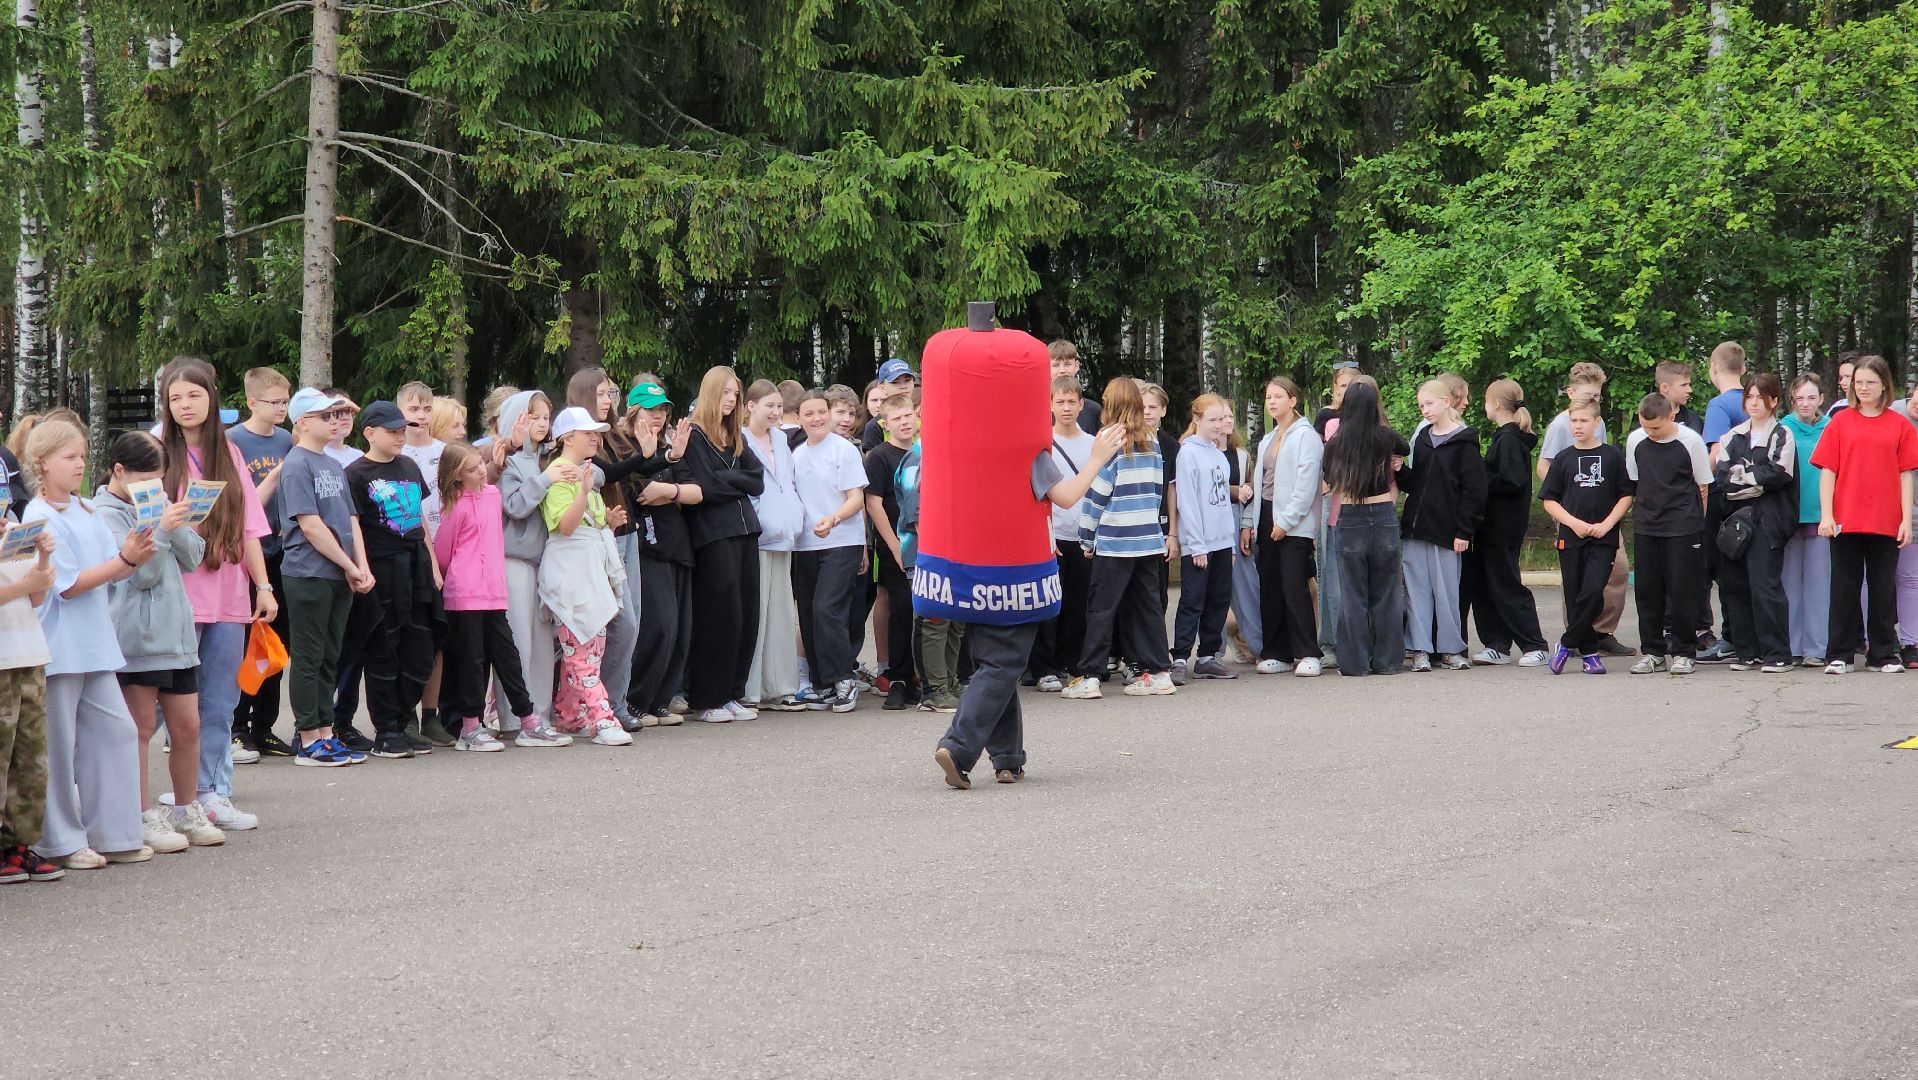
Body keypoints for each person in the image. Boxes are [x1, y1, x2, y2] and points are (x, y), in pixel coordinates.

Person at [19, 415, 156, 868]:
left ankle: (114, 832)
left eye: (82, 455)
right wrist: (125, 561)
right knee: (57, 747)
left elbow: (112, 572)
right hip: (60, 645)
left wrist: (132, 556)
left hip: (96, 641)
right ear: (42, 462)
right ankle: (59, 840)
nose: (80, 464)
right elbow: (69, 586)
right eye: (69, 457)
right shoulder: (38, 515)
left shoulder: (86, 509)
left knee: (116, 733)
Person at [156, 357, 274, 831]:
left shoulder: (230, 452)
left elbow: (249, 527)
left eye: (194, 395)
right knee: (165, 706)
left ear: (212, 398)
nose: (185, 405)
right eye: (175, 397)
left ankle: (210, 793)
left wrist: (263, 586)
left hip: (228, 596)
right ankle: (165, 794)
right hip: (177, 595)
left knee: (220, 703)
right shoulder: (157, 451)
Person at [95, 433, 221, 851]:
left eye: (159, 480)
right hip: (136, 638)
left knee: (188, 726)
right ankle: (140, 814)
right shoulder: (105, 514)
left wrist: (175, 520)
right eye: (145, 479)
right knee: (141, 728)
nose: (153, 488)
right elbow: (140, 575)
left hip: (177, 636)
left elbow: (194, 558)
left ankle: (187, 808)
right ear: (119, 471)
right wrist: (162, 529)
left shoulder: (158, 503)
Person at [1063, 378, 1177, 699]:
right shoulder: (1152, 440)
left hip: (1115, 541)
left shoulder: (1108, 439)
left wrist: (1086, 538)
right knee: (1149, 608)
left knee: (1101, 609)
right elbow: (1156, 490)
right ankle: (1159, 672)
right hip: (1147, 538)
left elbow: (1098, 493)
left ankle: (1090, 675)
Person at [278, 388, 372, 766]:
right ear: (302, 423)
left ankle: (326, 733)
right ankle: (307, 737)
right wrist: (350, 566)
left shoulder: (332, 464)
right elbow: (311, 525)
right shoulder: (296, 464)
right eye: (324, 416)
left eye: (335, 416)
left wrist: (361, 566)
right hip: (308, 574)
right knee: (309, 657)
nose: (334, 421)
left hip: (338, 575)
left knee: (330, 656)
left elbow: (351, 520)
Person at [346, 401, 445, 758]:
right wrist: (361, 568)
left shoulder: (408, 466)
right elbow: (353, 526)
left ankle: (404, 719)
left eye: (403, 430)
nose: (400, 437)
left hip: (415, 565)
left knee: (421, 647)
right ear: (370, 433)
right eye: (392, 431)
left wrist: (433, 566)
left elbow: (419, 519)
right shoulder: (356, 474)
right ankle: (387, 729)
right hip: (382, 568)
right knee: (384, 650)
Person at [1812, 355, 1918, 673]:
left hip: (1886, 519)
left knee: (1883, 587)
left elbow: (1906, 474)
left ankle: (1883, 654)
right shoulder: (1840, 422)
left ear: (1884, 384)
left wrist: (1906, 519)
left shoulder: (1899, 424)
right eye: (1858, 382)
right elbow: (1828, 471)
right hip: (1846, 518)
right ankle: (1839, 654)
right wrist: (1826, 515)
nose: (1863, 388)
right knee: (1844, 587)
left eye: (1871, 382)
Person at [435, 442, 540, 752]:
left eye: (480, 464)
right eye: (472, 469)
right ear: (457, 476)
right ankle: (469, 728)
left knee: (508, 657)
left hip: (494, 592)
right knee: (472, 660)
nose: (481, 471)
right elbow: (443, 553)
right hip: (465, 593)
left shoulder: (493, 495)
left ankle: (529, 722)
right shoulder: (454, 505)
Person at [535, 406, 631, 744]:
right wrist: (582, 492)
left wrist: (608, 522)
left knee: (590, 645)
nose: (595, 438)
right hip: (572, 575)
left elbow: (589, 524)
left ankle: (570, 713)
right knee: (582, 647)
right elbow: (565, 526)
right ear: (567, 438)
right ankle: (602, 718)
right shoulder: (562, 476)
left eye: (596, 432)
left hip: (587, 574)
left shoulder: (582, 474)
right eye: (587, 432)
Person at [680, 366, 767, 724]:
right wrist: (734, 482)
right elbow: (705, 487)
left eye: (736, 393)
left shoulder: (735, 437)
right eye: (726, 392)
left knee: (746, 613)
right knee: (720, 614)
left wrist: (727, 478)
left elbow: (757, 481)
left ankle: (732, 691)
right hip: (713, 534)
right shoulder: (694, 435)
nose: (732, 399)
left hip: (745, 531)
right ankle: (708, 696)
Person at [567, 368, 648, 732]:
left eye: (611, 393)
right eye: (601, 394)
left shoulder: (612, 433)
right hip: (600, 539)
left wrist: (666, 457)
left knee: (631, 623)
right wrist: (645, 455)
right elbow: (606, 474)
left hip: (624, 532)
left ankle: (616, 702)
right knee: (618, 624)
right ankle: (602, 705)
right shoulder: (577, 442)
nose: (608, 400)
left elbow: (633, 472)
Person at [1536, 363, 1633, 657]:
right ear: (1571, 393)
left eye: (1598, 396)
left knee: (1617, 569)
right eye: (1588, 394)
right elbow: (1545, 466)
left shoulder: (1597, 423)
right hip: (1571, 513)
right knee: (1576, 578)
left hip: (1602, 515)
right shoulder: (1561, 425)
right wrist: (1568, 505)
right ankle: (1578, 634)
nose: (1594, 400)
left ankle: (1600, 631)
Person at [493, 390, 573, 746]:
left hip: (545, 560)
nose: (542, 423)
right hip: (514, 560)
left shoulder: (549, 457)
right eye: (533, 417)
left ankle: (539, 715)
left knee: (542, 642)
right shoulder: (506, 461)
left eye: (545, 417)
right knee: (518, 641)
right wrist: (546, 479)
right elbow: (513, 506)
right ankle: (515, 718)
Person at [227, 367, 294, 757]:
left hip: (282, 550)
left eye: (285, 401)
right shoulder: (234, 441)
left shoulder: (286, 439)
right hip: (251, 553)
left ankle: (265, 726)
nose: (281, 408)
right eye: (274, 402)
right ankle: (237, 725)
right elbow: (241, 503)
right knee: (246, 643)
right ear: (252, 402)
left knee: (277, 643)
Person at [1321, 379, 1409, 676]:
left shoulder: (1336, 442)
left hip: (1349, 516)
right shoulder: (1384, 436)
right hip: (1382, 513)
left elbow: (1328, 478)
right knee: (1386, 592)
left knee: (1352, 594)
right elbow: (1405, 447)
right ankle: (1387, 661)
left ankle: (1354, 663)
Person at [1398, 379, 1486, 671]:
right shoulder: (1423, 439)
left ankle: (1451, 649)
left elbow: (1474, 490)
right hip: (1416, 528)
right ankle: (1420, 649)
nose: (1425, 410)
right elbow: (1417, 484)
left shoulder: (1465, 441)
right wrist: (1400, 471)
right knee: (1416, 593)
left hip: (1447, 531)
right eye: (1421, 405)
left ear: (1447, 402)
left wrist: (1464, 530)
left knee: (1447, 593)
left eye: (1429, 403)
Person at [791, 390, 869, 712]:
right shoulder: (796, 455)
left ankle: (843, 679)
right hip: (806, 544)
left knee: (827, 608)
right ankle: (823, 682)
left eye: (821, 412)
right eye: (809, 413)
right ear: (799, 418)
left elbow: (857, 499)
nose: (817, 418)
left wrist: (834, 519)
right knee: (809, 613)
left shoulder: (843, 450)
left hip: (842, 540)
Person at [623, 379, 696, 728]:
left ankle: (660, 699)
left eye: (663, 409)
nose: (659, 415)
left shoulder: (671, 446)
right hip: (646, 545)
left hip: (676, 542)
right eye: (651, 409)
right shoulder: (625, 446)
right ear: (633, 411)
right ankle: (637, 699)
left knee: (680, 628)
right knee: (659, 624)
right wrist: (672, 488)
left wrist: (670, 490)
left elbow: (697, 490)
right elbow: (640, 489)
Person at [1625, 393, 1713, 675]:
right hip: (1647, 525)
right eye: (1645, 426)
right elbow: (1636, 480)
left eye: (1656, 427)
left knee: (1682, 589)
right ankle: (1652, 651)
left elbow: (1703, 485)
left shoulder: (1691, 441)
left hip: (1684, 525)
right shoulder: (1635, 440)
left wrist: (1695, 524)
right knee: (1647, 590)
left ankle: (1684, 651)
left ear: (1671, 417)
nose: (1650, 432)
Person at [1714, 373, 1796, 672]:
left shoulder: (1782, 434)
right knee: (1736, 585)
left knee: (1765, 586)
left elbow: (1778, 474)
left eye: (1760, 397)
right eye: (1749, 397)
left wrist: (1746, 476)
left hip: (1768, 520)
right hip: (1735, 520)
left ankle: (1777, 654)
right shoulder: (1732, 436)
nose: (1753, 403)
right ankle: (1746, 652)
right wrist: (1753, 479)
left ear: (1773, 400)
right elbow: (1724, 478)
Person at [1243, 376, 1323, 677]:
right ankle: (1278, 652)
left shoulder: (1306, 436)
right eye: (1268, 397)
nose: (1272, 402)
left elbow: (1306, 484)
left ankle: (1308, 652)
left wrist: (1286, 522)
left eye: (1278, 396)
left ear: (1293, 400)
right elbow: (1259, 483)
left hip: (1294, 523)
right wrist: (1251, 522)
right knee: (1271, 587)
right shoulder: (1268, 438)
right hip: (1266, 516)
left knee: (1294, 586)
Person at [1464, 380, 1548, 667]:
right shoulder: (1505, 437)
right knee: (1485, 585)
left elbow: (1512, 480)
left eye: (1486, 401)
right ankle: (1497, 644)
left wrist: (1480, 475)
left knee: (1505, 584)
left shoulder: (1510, 439)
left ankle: (1534, 644)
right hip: (1491, 526)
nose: (1484, 406)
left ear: (1497, 404)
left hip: (1503, 526)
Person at [0, 509, 58, 882]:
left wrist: (43, 557)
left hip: (28, 652)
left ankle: (19, 843)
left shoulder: (12, 532)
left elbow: (35, 597)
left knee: (31, 758)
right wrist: (25, 585)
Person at [1027, 376, 1096, 691]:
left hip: (1083, 537)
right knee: (1048, 604)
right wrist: (1046, 534)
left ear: (1081, 405)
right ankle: (1043, 667)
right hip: (1052, 536)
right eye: (1060, 402)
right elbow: (1037, 494)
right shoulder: (1043, 444)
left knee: (1078, 604)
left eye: (1072, 402)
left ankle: (1072, 662)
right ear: (1050, 405)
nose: (1066, 408)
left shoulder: (1093, 444)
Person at [741, 379, 806, 712]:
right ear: (751, 406)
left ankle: (780, 686)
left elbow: (788, 482)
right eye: (769, 406)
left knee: (780, 612)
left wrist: (795, 515)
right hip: (757, 536)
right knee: (758, 612)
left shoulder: (780, 439)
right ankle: (749, 689)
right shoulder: (740, 439)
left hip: (784, 534)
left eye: (779, 406)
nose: (776, 412)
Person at [1170, 394, 1239, 683]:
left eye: (1222, 419)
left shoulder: (1218, 454)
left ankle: (1208, 655)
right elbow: (1187, 501)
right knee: (1192, 600)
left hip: (1222, 540)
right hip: (1199, 543)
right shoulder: (1188, 452)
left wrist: (1230, 544)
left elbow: (1223, 505)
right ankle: (1180, 657)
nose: (1219, 425)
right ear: (1197, 420)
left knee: (1219, 598)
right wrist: (1196, 545)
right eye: (1212, 420)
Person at [865, 393, 922, 709]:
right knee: (900, 606)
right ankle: (897, 677)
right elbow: (873, 503)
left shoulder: (923, 452)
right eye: (897, 418)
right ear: (885, 424)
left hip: (926, 541)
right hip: (895, 544)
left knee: (922, 609)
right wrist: (895, 546)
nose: (904, 422)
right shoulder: (880, 457)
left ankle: (918, 674)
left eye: (908, 416)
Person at [1780, 373, 1831, 666]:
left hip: (1821, 516)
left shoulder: (1831, 428)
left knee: (1819, 585)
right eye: (1800, 398)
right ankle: (1791, 646)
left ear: (1821, 399)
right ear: (1792, 400)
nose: (1805, 404)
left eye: (1811, 397)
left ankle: (1816, 648)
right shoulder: (1783, 428)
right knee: (1789, 584)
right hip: (1790, 516)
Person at [860, 359, 916, 451]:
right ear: (882, 388)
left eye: (907, 380)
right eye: (895, 382)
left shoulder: (926, 415)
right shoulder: (875, 426)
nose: (903, 386)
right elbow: (874, 459)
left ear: (913, 383)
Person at [1049, 339, 1104, 435]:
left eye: (1067, 364)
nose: (1062, 370)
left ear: (1076, 366)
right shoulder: (1036, 410)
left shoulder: (1093, 410)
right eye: (1056, 365)